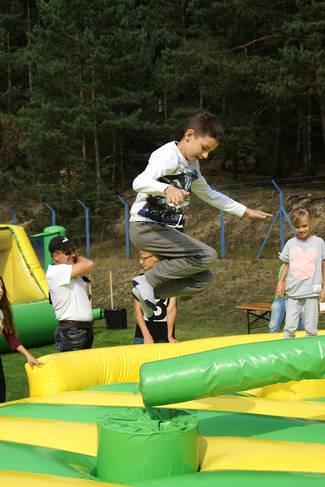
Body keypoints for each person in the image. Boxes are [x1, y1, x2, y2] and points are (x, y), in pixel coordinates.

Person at [129, 111, 272, 316]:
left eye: (209, 152)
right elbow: (138, 183)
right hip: (145, 226)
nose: (205, 156)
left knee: (203, 279)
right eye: (204, 148)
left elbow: (209, 194)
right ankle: (146, 281)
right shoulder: (167, 156)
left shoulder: (192, 165)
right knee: (207, 255)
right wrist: (166, 189)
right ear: (189, 135)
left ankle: (147, 291)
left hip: (163, 229)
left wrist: (244, 210)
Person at [276, 208, 325, 338]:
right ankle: (287, 350)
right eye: (298, 227)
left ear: (310, 224)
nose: (301, 230)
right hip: (293, 290)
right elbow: (287, 265)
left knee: (311, 327)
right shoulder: (291, 244)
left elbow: (323, 265)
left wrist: (324, 288)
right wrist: (280, 283)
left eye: (304, 226)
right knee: (290, 326)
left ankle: (312, 353)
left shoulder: (319, 243)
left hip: (312, 290)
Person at [46, 236, 95, 352]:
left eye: (74, 251)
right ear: (56, 256)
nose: (72, 255)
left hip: (81, 330)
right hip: (71, 332)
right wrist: (77, 258)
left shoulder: (69, 272)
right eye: (68, 252)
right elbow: (89, 264)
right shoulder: (55, 272)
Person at [0, 276, 43, 402]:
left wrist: (28, 355)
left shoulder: (2, 312)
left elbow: (11, 338)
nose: (1, 290)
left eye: (2, 287)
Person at [133, 251, 177, 344]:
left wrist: (169, 336)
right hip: (142, 336)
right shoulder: (140, 280)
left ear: (155, 258)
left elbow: (171, 309)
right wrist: (146, 335)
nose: (141, 262)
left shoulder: (171, 281)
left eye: (144, 258)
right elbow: (138, 310)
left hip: (164, 336)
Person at [269, 263, 305, 332]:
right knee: (273, 326)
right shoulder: (285, 266)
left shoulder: (305, 266)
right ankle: (272, 341)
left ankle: (304, 341)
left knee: (304, 325)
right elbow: (283, 285)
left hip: (299, 298)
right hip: (281, 298)